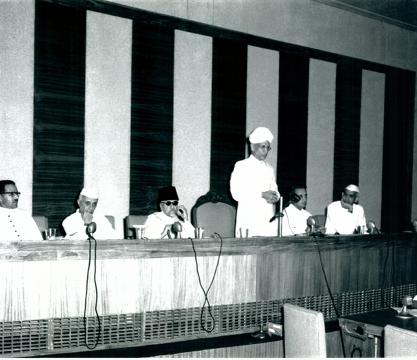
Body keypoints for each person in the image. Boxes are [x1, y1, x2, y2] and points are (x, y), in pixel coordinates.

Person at [230, 126, 280, 237]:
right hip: (249, 221)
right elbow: (236, 193)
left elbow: (275, 189)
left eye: (268, 147)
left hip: (267, 220)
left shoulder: (269, 168)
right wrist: (261, 194)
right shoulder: (241, 166)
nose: (266, 151)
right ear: (252, 147)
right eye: (263, 147)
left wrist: (275, 196)